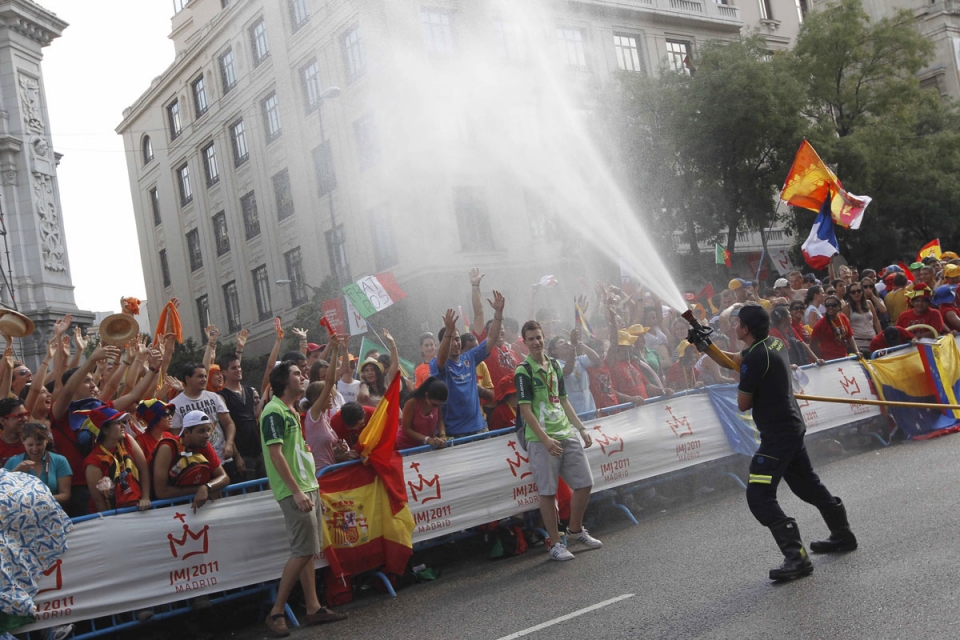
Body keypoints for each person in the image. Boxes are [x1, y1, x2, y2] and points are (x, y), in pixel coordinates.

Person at [690, 304, 856, 581]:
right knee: (806, 485)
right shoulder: (772, 343)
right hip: (790, 427)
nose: (733, 326)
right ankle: (842, 534)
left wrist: (749, 383)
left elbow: (743, 403)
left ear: (745, 329)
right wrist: (705, 346)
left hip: (779, 435)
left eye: (737, 323)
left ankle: (796, 557)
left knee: (758, 495)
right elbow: (734, 359)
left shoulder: (756, 358)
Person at [261, 359, 347, 636]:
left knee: (309, 550)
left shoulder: (291, 410)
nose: (303, 376)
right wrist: (297, 491)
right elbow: (275, 455)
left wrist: (313, 489)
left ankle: (313, 607)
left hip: (307, 487)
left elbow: (299, 454)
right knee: (303, 550)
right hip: (292, 491)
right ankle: (275, 612)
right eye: (297, 373)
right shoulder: (273, 411)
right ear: (285, 381)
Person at [515, 320, 601, 561]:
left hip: (566, 433)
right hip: (541, 439)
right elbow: (525, 411)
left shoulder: (554, 365)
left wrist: (581, 428)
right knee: (548, 492)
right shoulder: (523, 371)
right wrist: (545, 440)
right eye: (530, 338)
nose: (536, 342)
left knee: (585, 483)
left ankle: (575, 530)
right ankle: (555, 544)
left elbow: (563, 400)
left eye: (539, 337)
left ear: (544, 338)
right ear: (525, 342)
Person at [431, 292, 506, 438]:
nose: (456, 343)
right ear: (442, 343)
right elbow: (441, 359)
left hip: (479, 427)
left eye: (458, 339)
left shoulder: (469, 357)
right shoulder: (438, 363)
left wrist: (498, 313)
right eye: (451, 340)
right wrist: (449, 331)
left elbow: (491, 338)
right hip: (454, 432)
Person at [169, 362, 240, 478]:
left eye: (205, 376)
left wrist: (229, 443)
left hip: (223, 458)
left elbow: (229, 424)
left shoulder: (214, 397)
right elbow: (176, 438)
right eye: (200, 376)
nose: (204, 380)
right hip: (196, 463)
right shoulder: (175, 405)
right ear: (188, 378)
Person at [152, 410, 228, 513]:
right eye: (201, 431)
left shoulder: (204, 444)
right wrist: (200, 490)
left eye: (208, 430)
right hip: (167, 511)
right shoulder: (167, 448)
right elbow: (161, 492)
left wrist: (207, 487)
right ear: (187, 432)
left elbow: (224, 477)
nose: (207, 435)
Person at [81, 407, 152, 513]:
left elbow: (143, 469)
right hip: (113, 514)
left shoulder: (128, 440)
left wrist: (145, 497)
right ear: (105, 430)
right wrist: (111, 522)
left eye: (122, 422)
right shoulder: (93, 462)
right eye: (118, 423)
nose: (124, 425)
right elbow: (99, 500)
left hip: (138, 506)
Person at [303, 334, 355, 469]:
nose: (331, 397)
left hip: (331, 470)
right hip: (321, 474)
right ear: (316, 399)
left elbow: (328, 451)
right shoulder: (313, 414)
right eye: (326, 395)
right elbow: (330, 382)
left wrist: (340, 451)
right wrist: (335, 350)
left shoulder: (324, 416)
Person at [218, 354, 264, 480]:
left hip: (259, 450)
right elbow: (226, 427)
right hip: (242, 453)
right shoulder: (222, 396)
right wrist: (237, 455)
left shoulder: (249, 390)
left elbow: (254, 416)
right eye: (233, 368)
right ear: (224, 372)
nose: (238, 370)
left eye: (239, 367)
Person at [3, 422, 71, 505]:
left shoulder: (59, 461)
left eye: (39, 444)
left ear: (46, 441)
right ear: (23, 441)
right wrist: (16, 472)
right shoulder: (12, 462)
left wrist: (38, 500)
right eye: (30, 445)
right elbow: (3, 493)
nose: (35, 449)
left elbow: (65, 495)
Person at [549, 328, 602, 416]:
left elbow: (597, 359)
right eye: (561, 342)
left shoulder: (579, 360)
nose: (566, 343)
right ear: (553, 350)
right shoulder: (554, 364)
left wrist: (579, 343)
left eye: (567, 341)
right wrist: (573, 347)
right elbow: (567, 370)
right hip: (573, 414)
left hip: (590, 409)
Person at [397, 377, 448, 449]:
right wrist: (427, 439)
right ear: (426, 395)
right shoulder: (412, 403)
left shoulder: (436, 404)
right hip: (406, 446)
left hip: (426, 446)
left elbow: (440, 420)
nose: (436, 407)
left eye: (439, 405)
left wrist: (443, 435)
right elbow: (406, 429)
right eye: (434, 405)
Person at [810, 296, 858, 360]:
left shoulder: (843, 317)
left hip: (844, 357)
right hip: (829, 361)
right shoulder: (820, 324)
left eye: (833, 305)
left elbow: (850, 337)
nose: (830, 307)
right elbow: (813, 345)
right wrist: (818, 359)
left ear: (839, 307)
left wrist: (856, 352)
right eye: (827, 305)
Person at [842, 283, 881, 354]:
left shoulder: (869, 303)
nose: (856, 293)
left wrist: (880, 336)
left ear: (862, 292)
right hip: (858, 343)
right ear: (850, 294)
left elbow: (876, 321)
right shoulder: (846, 307)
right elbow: (847, 328)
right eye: (853, 292)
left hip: (873, 341)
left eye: (859, 291)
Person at [134, 398, 175, 463]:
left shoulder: (169, 436)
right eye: (165, 415)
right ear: (154, 419)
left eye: (170, 414)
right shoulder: (141, 441)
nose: (170, 417)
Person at [0, 397, 28, 467]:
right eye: (19, 416)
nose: (25, 419)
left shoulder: (34, 440)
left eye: (26, 414)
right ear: (3, 421)